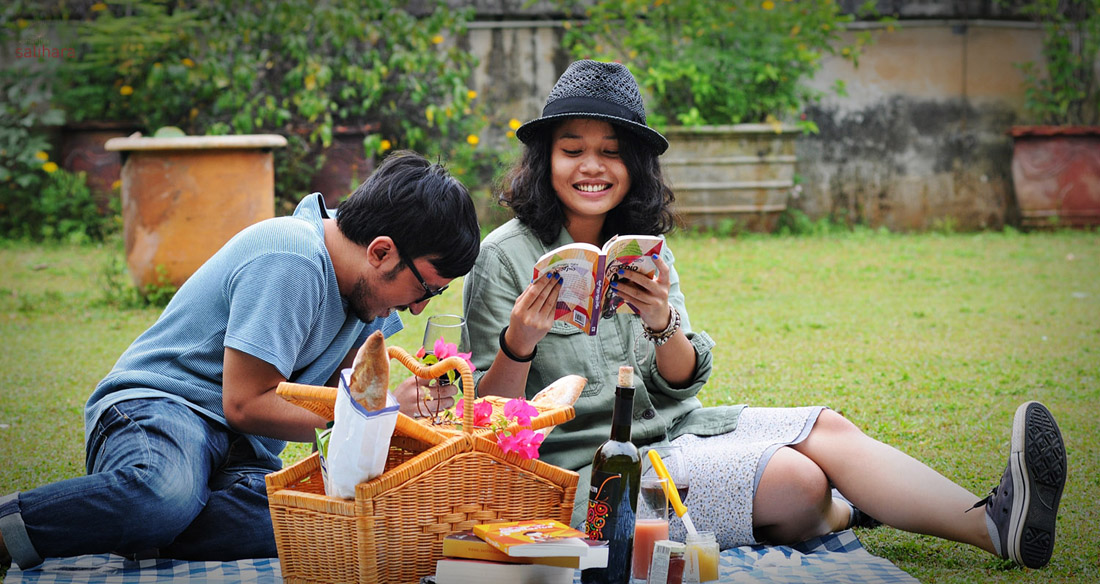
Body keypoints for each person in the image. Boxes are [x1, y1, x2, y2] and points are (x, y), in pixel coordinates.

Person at [462, 60, 1067, 569]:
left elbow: (680, 382)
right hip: (597, 480)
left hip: (680, 430)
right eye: (572, 151)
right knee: (799, 481)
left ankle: (993, 522)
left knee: (827, 428)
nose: (591, 167)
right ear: (546, 159)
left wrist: (661, 322)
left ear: (635, 167)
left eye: (611, 154)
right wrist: (520, 343)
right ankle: (853, 506)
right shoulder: (504, 257)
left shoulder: (642, 249)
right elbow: (484, 424)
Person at [0, 150, 478, 569]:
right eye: (426, 288)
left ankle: (146, 528)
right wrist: (379, 411)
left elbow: (331, 412)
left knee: (314, 521)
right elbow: (246, 404)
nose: (419, 308)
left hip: (242, 454)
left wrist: (395, 426)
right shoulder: (293, 257)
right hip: (164, 409)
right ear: (381, 251)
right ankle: (18, 527)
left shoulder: (369, 299)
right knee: (163, 492)